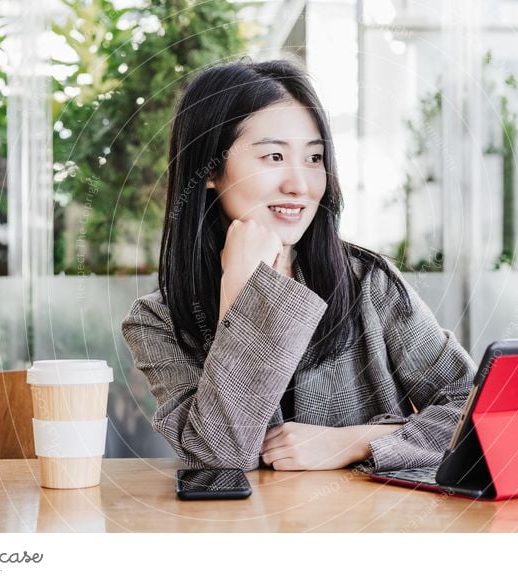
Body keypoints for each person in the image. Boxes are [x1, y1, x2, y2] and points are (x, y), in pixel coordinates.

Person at [121, 58, 475, 473]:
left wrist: (354, 442)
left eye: (313, 158)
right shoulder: (157, 320)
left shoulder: (368, 283)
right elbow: (218, 457)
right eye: (273, 156)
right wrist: (241, 292)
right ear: (211, 169)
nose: (300, 184)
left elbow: (475, 410)